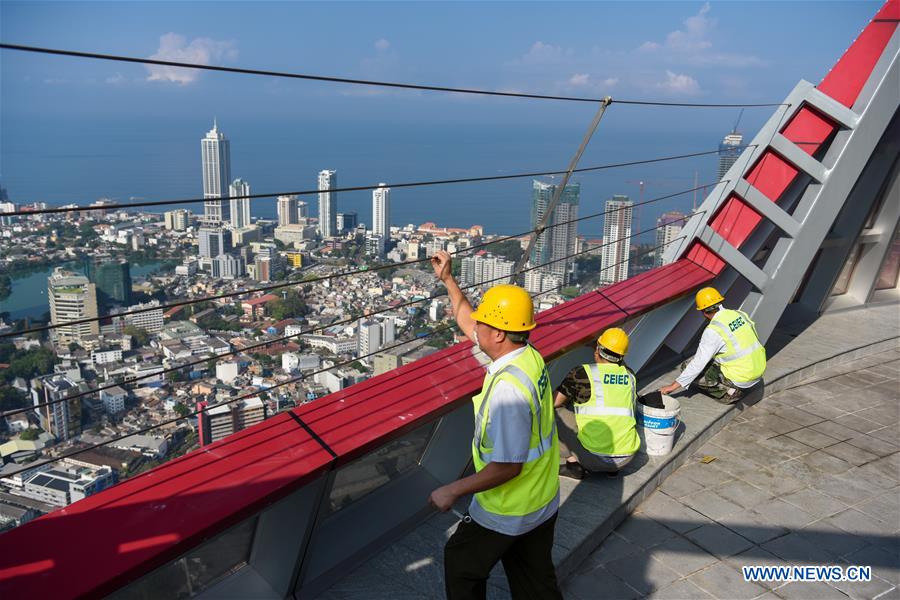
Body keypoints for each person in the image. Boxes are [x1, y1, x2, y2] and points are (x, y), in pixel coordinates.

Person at [428, 250, 562, 600]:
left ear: (500, 334)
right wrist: (448, 280)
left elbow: (507, 467)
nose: (476, 327)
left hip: (509, 508)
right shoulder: (528, 355)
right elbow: (467, 321)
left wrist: (452, 490)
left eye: (483, 323)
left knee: (461, 564)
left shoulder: (508, 391)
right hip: (542, 498)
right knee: (535, 583)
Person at [554, 328, 640, 480]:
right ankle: (611, 471)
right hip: (626, 458)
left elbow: (555, 402)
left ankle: (573, 465)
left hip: (595, 459)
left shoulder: (582, 373)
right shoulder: (630, 375)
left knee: (555, 411)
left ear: (598, 350)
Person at [659, 287, 766, 403]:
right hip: (758, 369)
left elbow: (698, 363)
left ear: (703, 312)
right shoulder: (739, 314)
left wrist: (672, 387)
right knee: (715, 356)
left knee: (687, 366)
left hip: (741, 378)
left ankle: (729, 392)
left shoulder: (713, 330)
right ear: (720, 303)